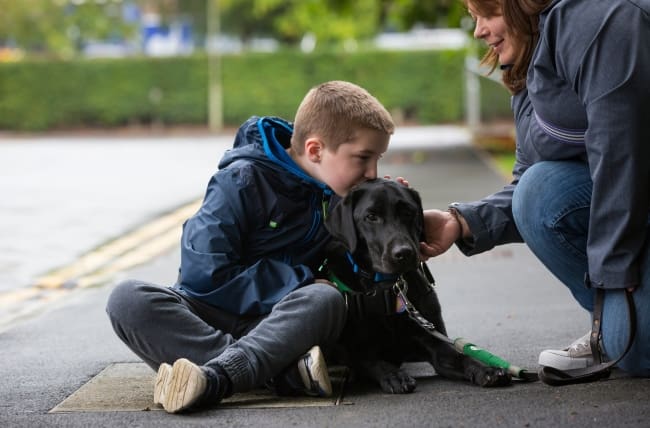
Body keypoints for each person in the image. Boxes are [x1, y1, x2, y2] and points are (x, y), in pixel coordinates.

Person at [106, 80, 395, 413]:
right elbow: (204, 274)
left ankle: (212, 377)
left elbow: (359, 276)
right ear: (315, 150)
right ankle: (269, 374)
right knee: (127, 299)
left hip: (277, 324)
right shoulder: (239, 181)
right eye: (363, 158)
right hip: (209, 313)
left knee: (326, 299)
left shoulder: (339, 198)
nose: (373, 173)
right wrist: (297, 280)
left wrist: (394, 222)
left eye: (378, 159)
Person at [420, 0, 650, 380]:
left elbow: (620, 160)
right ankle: (614, 327)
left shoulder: (601, 21)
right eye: (474, 18)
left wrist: (616, 278)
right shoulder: (529, 70)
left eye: (487, 14)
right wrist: (459, 222)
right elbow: (530, 183)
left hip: (633, 190)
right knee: (538, 192)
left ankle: (616, 329)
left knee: (635, 352)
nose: (478, 31)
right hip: (630, 203)